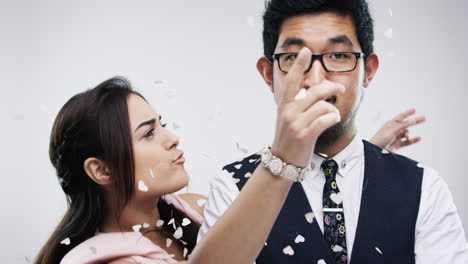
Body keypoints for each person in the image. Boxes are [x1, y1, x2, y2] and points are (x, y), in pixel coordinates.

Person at [35, 75, 423, 264]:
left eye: (162, 123)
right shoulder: (109, 261)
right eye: (148, 133)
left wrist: (365, 152)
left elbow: (278, 216)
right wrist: (283, 155)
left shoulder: (190, 208)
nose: (171, 138)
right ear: (100, 170)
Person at [197, 0, 468, 263]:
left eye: (338, 55)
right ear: (268, 74)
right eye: (293, 57)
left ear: (368, 71)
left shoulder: (424, 187)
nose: (315, 79)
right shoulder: (231, 186)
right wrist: (283, 160)